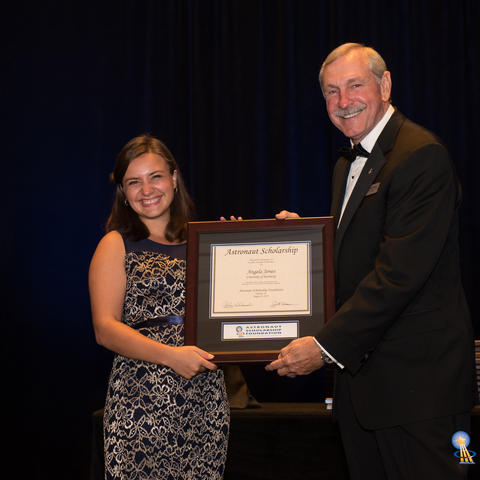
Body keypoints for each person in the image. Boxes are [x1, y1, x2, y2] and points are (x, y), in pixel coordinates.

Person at [265, 43, 476, 479]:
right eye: (330, 92)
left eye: (354, 86)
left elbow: (398, 275)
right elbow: (362, 254)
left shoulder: (421, 156)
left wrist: (321, 347)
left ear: (384, 84)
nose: (343, 102)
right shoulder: (347, 163)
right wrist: (305, 243)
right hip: (365, 392)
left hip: (420, 395)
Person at [89, 134, 229, 480]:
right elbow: (105, 329)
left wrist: (239, 249)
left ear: (175, 178)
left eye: (155, 177)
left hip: (205, 402)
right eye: (133, 182)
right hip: (141, 403)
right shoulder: (116, 243)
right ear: (123, 191)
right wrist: (172, 356)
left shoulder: (207, 240)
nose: (146, 190)